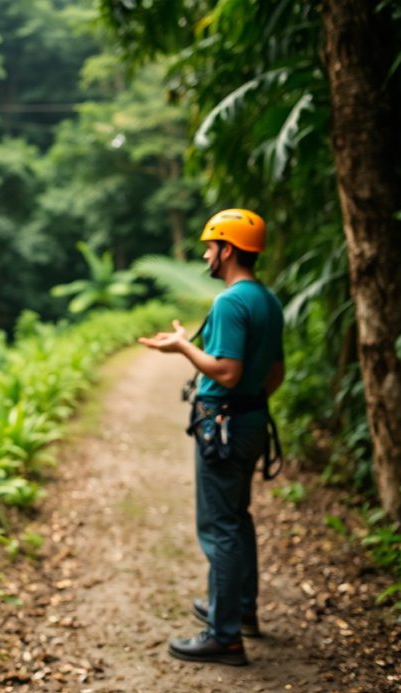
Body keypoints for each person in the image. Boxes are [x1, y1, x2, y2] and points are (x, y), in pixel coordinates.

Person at [137, 208, 285, 666]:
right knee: (237, 519)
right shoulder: (267, 300)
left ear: (228, 249)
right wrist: (246, 406)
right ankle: (240, 611)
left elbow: (226, 369)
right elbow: (274, 372)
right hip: (250, 422)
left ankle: (224, 636)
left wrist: (182, 347)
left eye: (210, 245)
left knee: (219, 527)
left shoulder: (229, 303)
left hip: (221, 427)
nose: (206, 253)